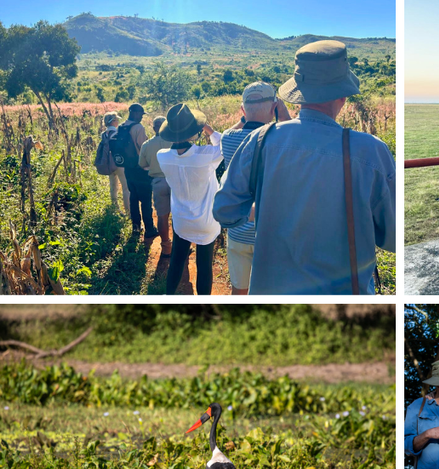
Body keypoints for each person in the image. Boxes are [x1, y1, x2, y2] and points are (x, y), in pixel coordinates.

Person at [213, 40, 396, 295]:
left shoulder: (261, 140)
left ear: (296, 94)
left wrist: (262, 209)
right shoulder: (370, 151)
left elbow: (225, 211)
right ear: (343, 96)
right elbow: (393, 237)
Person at [219, 81, 291, 295]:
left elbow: (228, 131)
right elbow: (296, 134)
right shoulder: (282, 138)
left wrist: (244, 118)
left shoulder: (229, 139)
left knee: (239, 291)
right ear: (274, 107)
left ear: (243, 109)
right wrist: (283, 114)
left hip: (238, 231)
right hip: (271, 233)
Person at [156, 103, 222, 295]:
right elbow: (224, 145)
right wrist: (210, 131)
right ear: (195, 132)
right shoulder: (206, 155)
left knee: (177, 260)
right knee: (204, 267)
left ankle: (169, 297)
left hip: (181, 220)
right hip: (205, 221)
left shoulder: (162, 157)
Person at [119, 103, 158, 238]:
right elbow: (143, 148)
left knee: (133, 198)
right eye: (141, 114)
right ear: (135, 113)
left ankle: (136, 227)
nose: (141, 117)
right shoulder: (138, 128)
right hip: (140, 168)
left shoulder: (122, 126)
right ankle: (149, 228)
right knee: (146, 200)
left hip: (127, 168)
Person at [138, 115, 173, 258]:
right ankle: (180, 246)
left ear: (153, 128)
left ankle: (166, 248)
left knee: (162, 216)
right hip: (175, 181)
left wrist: (152, 167)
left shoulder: (146, 145)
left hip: (158, 182)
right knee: (177, 215)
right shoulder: (175, 141)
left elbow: (142, 164)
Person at [102, 111, 130, 216]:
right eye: (116, 120)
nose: (118, 121)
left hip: (109, 163)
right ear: (112, 121)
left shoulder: (104, 134)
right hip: (119, 162)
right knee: (125, 187)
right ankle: (128, 211)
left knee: (113, 186)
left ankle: (116, 209)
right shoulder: (117, 133)